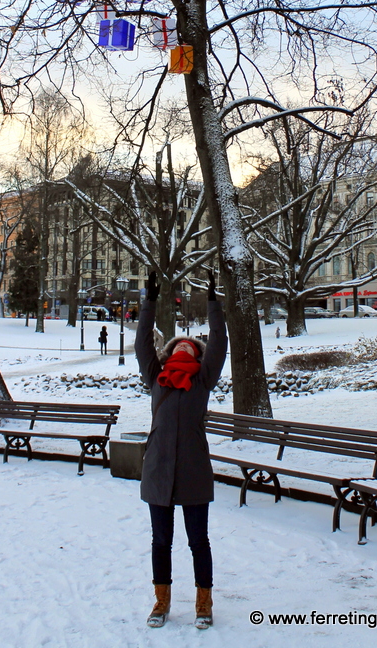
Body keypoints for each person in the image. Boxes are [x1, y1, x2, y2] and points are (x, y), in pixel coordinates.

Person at [135, 269, 227, 630]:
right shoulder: (156, 375)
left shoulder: (202, 379)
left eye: (191, 344)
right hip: (157, 468)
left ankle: (204, 602)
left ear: (197, 354)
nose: (184, 344)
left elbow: (219, 342)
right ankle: (162, 601)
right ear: (170, 351)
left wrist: (213, 302)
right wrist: (150, 301)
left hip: (192, 470)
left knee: (198, 541)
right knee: (161, 541)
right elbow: (143, 341)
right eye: (177, 343)